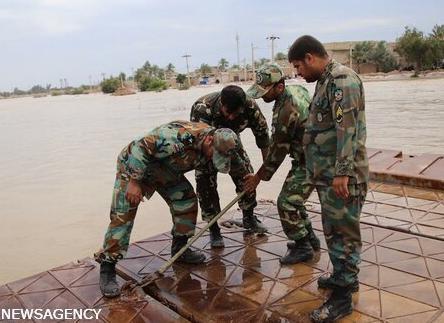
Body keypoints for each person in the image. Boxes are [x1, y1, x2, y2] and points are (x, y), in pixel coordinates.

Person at [98, 120, 250, 298]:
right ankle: (107, 268)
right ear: (209, 141)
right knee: (123, 215)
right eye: (214, 155)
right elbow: (141, 147)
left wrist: (250, 180)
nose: (213, 159)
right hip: (134, 166)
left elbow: (240, 167)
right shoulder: (178, 137)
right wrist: (134, 181)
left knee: (186, 202)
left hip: (168, 170)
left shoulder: (225, 143)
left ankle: (180, 249)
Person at [288, 35, 369, 323]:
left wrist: (343, 172)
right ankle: (342, 278)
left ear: (310, 58)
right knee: (335, 232)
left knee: (343, 236)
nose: (298, 73)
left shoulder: (342, 80)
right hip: (329, 176)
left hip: (342, 177)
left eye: (298, 66)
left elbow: (346, 128)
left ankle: (342, 298)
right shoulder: (325, 80)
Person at [243, 63, 321, 265]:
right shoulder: (297, 89)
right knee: (295, 199)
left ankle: (303, 247)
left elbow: (278, 150)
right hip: (311, 154)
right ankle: (309, 238)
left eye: (265, 92)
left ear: (279, 87)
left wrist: (257, 178)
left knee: (286, 202)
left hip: (313, 160)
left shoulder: (286, 110)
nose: (261, 97)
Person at [190, 85, 270, 248]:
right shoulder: (202, 109)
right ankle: (214, 229)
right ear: (221, 103)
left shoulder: (250, 107)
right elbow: (200, 142)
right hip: (207, 147)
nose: (233, 117)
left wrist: (266, 170)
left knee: (248, 176)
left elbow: (263, 136)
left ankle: (249, 218)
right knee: (205, 183)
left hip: (232, 143)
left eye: (237, 114)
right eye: (229, 113)